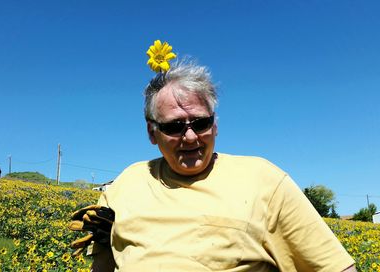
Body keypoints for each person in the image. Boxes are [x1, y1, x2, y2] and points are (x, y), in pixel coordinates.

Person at [88, 60, 356, 271]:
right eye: (174, 126)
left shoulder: (263, 180)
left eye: (201, 123)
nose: (190, 136)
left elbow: (334, 267)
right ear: (151, 132)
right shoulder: (124, 185)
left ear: (215, 125)